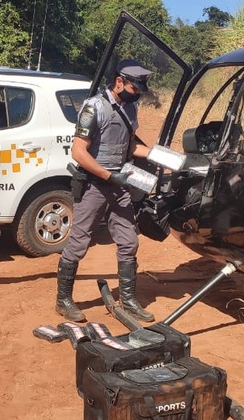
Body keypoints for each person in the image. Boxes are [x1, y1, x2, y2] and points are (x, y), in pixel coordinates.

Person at [55, 59, 155, 323]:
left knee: (129, 241)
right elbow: (79, 152)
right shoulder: (94, 107)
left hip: (119, 185)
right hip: (95, 185)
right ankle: (64, 300)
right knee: (78, 243)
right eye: (134, 89)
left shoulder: (131, 109)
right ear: (119, 82)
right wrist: (110, 175)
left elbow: (131, 148)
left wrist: (160, 155)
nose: (136, 95)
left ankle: (129, 299)